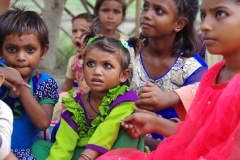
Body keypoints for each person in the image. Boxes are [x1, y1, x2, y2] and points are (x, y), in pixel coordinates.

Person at [97, 0, 240, 159]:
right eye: (204, 15)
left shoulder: (194, 69)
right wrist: (152, 122)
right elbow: (199, 131)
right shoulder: (213, 74)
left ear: (179, 24)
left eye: (220, 14)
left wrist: (162, 111)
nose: (205, 25)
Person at [31, 22, 144, 160]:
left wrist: (87, 157)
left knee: (130, 128)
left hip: (112, 153)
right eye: (90, 64)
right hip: (80, 154)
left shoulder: (125, 99)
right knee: (39, 147)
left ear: (123, 75)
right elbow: (64, 145)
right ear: (82, 68)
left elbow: (107, 129)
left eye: (107, 66)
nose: (96, 72)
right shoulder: (76, 105)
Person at [128, 0, 207, 149]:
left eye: (159, 11)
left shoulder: (193, 70)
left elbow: (197, 131)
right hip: (123, 138)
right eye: (145, 7)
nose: (146, 15)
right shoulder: (126, 54)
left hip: (171, 149)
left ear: (179, 24)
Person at [0, 8, 59, 159]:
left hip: (24, 153)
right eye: (12, 49)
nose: (21, 57)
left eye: (30, 50)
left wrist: (20, 85)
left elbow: (43, 123)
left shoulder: (44, 82)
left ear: (44, 51)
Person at [51, 13, 96, 124]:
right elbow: (67, 86)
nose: (77, 35)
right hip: (80, 94)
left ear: (96, 37)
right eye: (74, 31)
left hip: (97, 96)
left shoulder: (99, 60)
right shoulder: (73, 60)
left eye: (83, 31)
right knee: (59, 100)